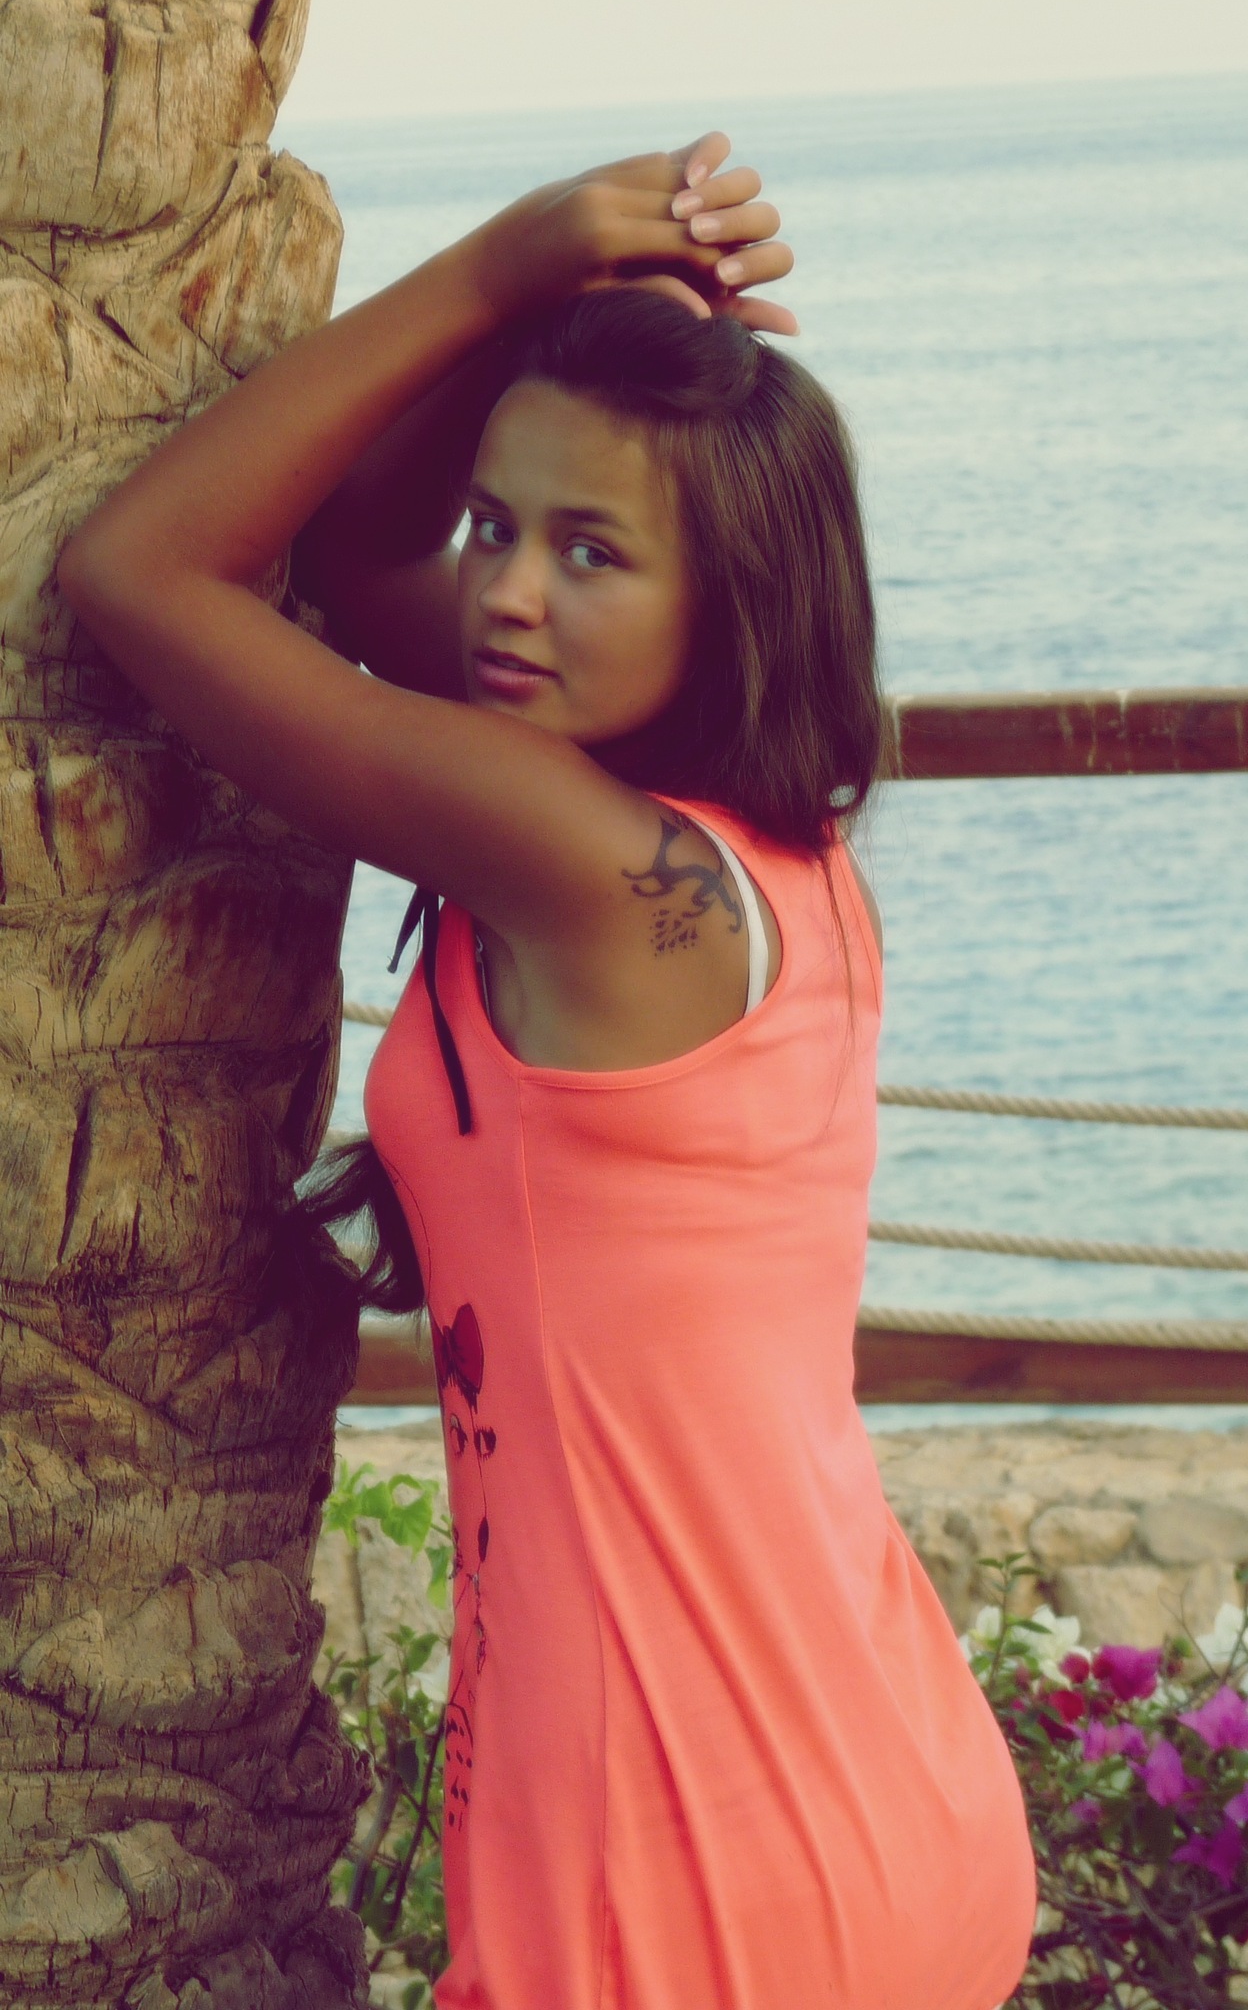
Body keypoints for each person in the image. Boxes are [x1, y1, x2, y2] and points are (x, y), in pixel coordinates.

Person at [59, 132, 1036, 2009]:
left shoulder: (591, 867)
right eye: (499, 526)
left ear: (730, 592)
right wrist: (546, 322)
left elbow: (147, 567)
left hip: (703, 1882)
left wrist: (510, 267)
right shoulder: (755, 861)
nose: (509, 593)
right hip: (852, 1788)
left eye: (592, 552)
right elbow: (360, 556)